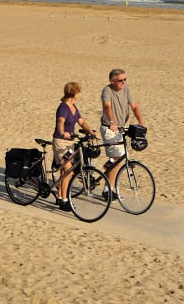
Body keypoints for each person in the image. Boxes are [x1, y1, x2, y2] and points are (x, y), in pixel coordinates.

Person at [100, 68, 145, 199]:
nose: (123, 82)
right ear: (112, 80)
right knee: (117, 158)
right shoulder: (107, 91)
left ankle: (109, 186)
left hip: (121, 128)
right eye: (121, 80)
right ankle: (108, 189)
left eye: (125, 79)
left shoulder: (126, 90)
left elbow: (134, 106)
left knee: (118, 159)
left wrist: (141, 121)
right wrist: (112, 122)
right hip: (109, 128)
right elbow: (107, 106)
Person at [53, 82, 92, 211]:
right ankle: (64, 200)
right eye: (78, 92)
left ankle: (59, 196)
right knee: (68, 170)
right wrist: (63, 132)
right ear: (73, 93)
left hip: (70, 142)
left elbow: (81, 122)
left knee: (65, 171)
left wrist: (91, 132)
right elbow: (60, 122)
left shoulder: (73, 107)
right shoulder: (63, 107)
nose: (79, 94)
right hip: (60, 142)